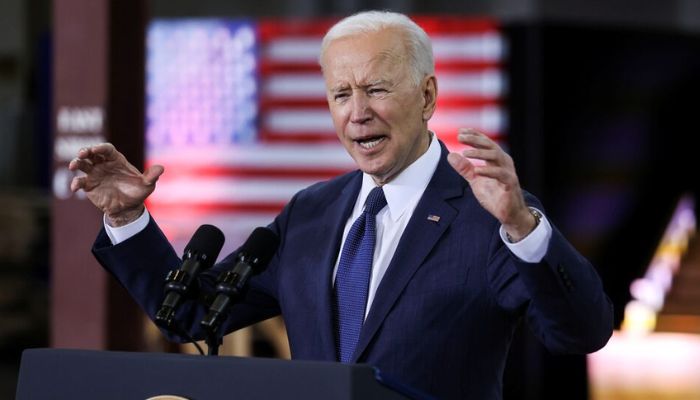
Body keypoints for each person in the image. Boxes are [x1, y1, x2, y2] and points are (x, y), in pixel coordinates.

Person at [69, 10, 612, 400]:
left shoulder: (489, 214)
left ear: (426, 97)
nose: (357, 114)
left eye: (376, 89)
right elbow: (191, 314)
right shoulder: (311, 212)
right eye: (340, 94)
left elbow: (581, 333)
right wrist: (125, 218)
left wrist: (522, 226)